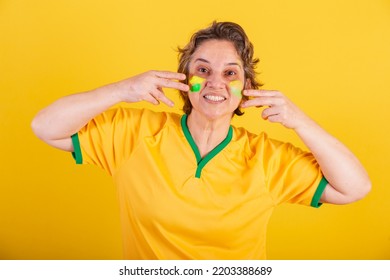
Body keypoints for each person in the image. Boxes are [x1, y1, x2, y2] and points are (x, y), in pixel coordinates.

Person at [31, 21, 371, 259]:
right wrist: (122, 90)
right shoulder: (134, 133)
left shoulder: (266, 158)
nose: (215, 83)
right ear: (185, 78)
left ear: (246, 88)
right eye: (203, 70)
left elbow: (354, 188)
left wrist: (300, 121)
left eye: (230, 73)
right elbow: (45, 126)